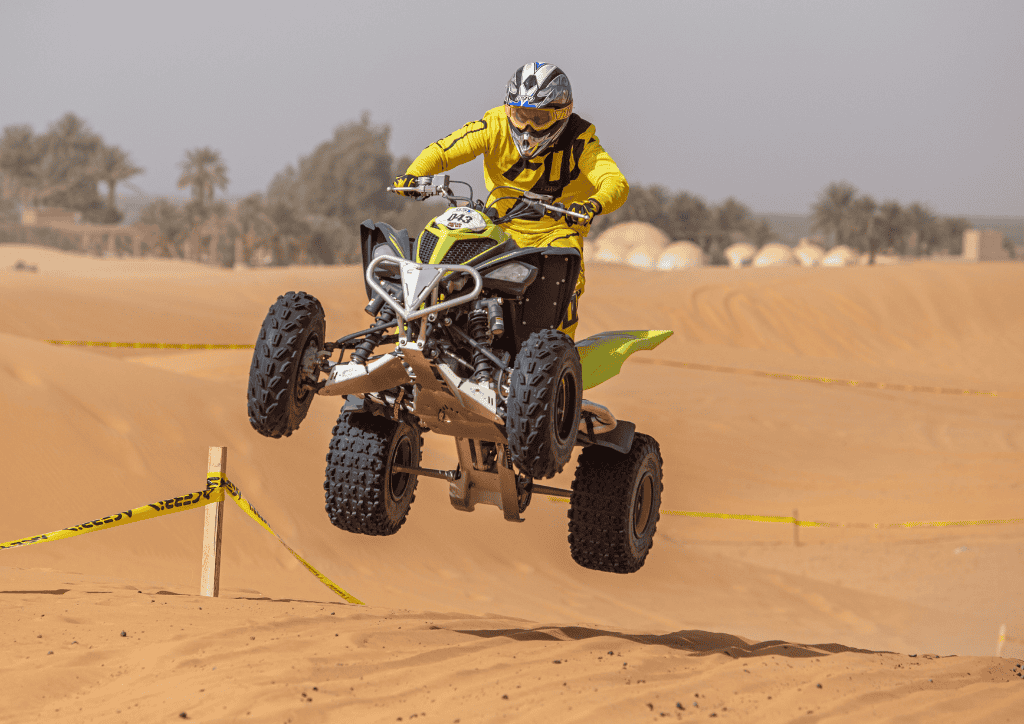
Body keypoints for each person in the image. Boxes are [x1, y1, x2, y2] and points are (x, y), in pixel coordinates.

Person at [391, 62, 629, 340]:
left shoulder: (580, 140)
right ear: (508, 110)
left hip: (555, 233)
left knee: (565, 285)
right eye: (520, 115)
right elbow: (443, 151)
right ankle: (425, 328)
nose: (527, 126)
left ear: (561, 115)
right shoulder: (494, 125)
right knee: (446, 256)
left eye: (538, 118)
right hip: (497, 228)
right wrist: (414, 175)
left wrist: (592, 205)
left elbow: (615, 182)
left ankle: (557, 358)